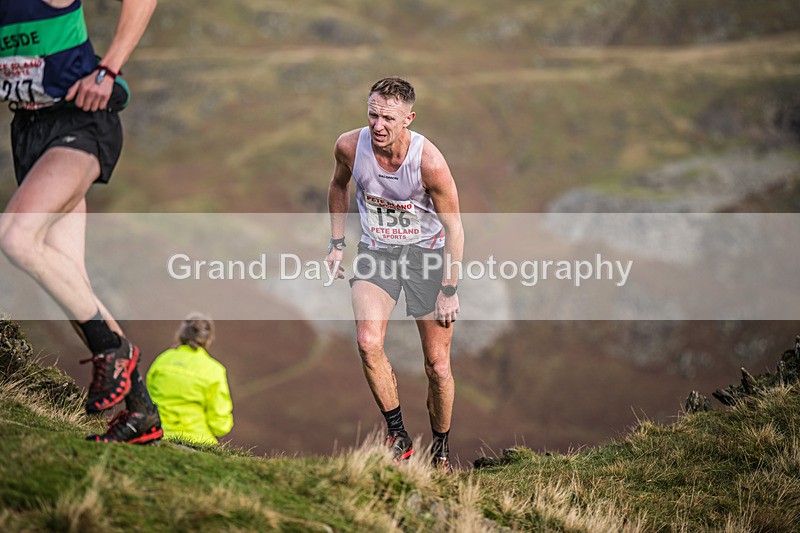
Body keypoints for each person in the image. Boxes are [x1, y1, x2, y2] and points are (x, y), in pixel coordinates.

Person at [0, 0, 161, 444]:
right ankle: (142, 413)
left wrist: (108, 70)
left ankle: (114, 350)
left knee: (15, 237)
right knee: (71, 283)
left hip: (78, 124)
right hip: (28, 133)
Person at [326, 77, 464, 470]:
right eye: (372, 115)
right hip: (377, 253)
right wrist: (337, 243)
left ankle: (440, 448)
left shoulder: (429, 162)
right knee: (368, 342)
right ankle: (397, 434)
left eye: (388, 118)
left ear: (409, 119)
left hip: (426, 258)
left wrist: (449, 288)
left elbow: (455, 228)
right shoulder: (350, 146)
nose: (378, 126)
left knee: (437, 366)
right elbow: (338, 185)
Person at [146, 315, 233, 445]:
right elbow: (220, 425)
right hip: (199, 440)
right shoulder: (215, 370)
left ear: (180, 335)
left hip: (157, 433)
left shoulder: (162, 360)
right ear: (208, 340)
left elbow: (147, 399)